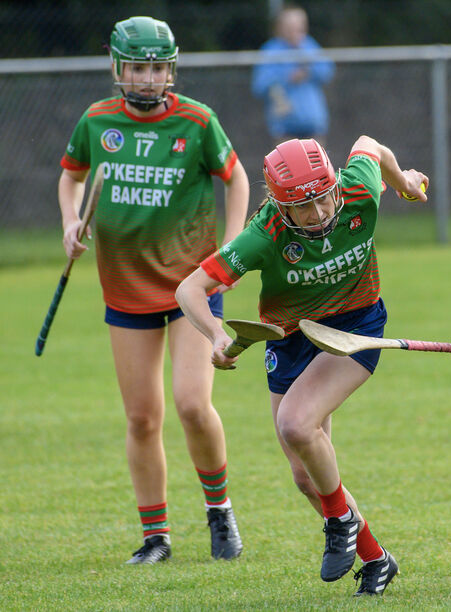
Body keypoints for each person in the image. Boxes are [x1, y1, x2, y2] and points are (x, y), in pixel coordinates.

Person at [176, 136, 427, 595]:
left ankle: (339, 522)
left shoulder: (358, 190)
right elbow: (189, 290)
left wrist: (404, 182)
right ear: (280, 205)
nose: (318, 212)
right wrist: (215, 335)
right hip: (290, 340)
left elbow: (370, 145)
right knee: (305, 476)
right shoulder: (264, 234)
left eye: (322, 196)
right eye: (302, 206)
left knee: (295, 423)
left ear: (334, 183)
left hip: (355, 327)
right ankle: (376, 561)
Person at [58, 16, 249, 565]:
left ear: (172, 68)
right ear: (118, 67)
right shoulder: (97, 121)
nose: (147, 79)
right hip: (125, 287)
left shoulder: (198, 120)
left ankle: (219, 511)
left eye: (158, 68)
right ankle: (156, 536)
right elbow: (70, 175)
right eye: (138, 68)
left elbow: (235, 178)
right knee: (142, 418)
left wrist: (230, 251)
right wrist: (71, 222)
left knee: (192, 402)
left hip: (193, 285)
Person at [251, 5, 335, 146]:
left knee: (317, 166)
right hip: (285, 126)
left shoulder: (309, 45)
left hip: (313, 124)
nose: (295, 30)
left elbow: (327, 70)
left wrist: (309, 71)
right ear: (280, 27)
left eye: (299, 25)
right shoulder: (271, 51)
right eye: (290, 26)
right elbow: (259, 85)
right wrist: (287, 78)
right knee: (289, 166)